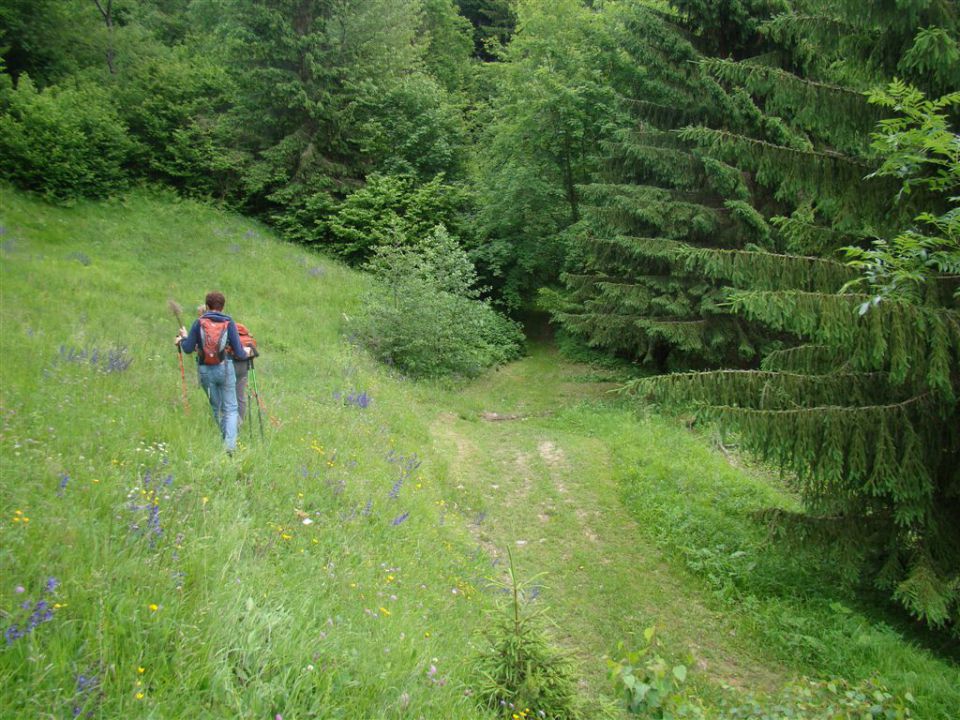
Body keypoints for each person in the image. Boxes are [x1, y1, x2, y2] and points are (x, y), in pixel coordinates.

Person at [175, 292, 250, 453]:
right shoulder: (228, 322)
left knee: (217, 408)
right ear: (222, 307)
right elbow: (238, 351)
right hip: (224, 369)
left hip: (205, 371)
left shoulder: (199, 322)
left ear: (207, 306)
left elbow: (188, 348)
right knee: (231, 409)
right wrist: (247, 351)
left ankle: (227, 442)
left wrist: (182, 339)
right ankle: (230, 446)